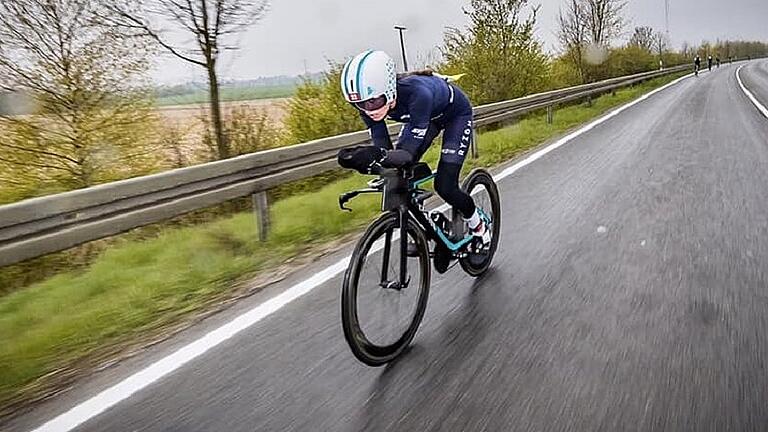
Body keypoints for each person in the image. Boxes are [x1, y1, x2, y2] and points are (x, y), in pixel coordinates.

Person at [337, 50, 489, 244]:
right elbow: (385, 150)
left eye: (374, 101)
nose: (368, 110)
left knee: (445, 186)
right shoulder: (370, 104)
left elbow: (406, 154)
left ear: (391, 89)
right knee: (396, 174)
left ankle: (479, 226)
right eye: (358, 104)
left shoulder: (418, 94)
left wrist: (376, 154)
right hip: (424, 118)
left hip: (455, 116)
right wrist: (367, 160)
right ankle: (422, 222)